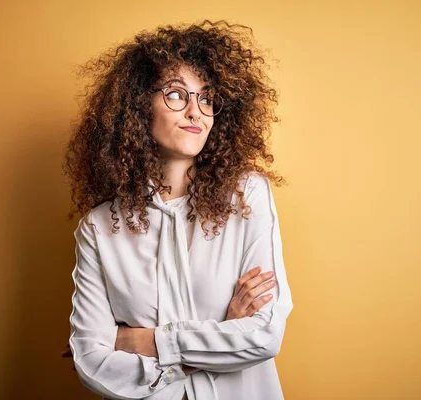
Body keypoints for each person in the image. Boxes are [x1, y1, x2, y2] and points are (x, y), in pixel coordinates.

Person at [61, 20, 294, 400]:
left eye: (205, 98)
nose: (196, 112)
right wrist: (217, 336)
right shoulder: (99, 227)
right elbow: (90, 361)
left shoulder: (247, 197)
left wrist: (140, 341)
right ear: (138, 107)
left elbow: (264, 335)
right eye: (175, 95)